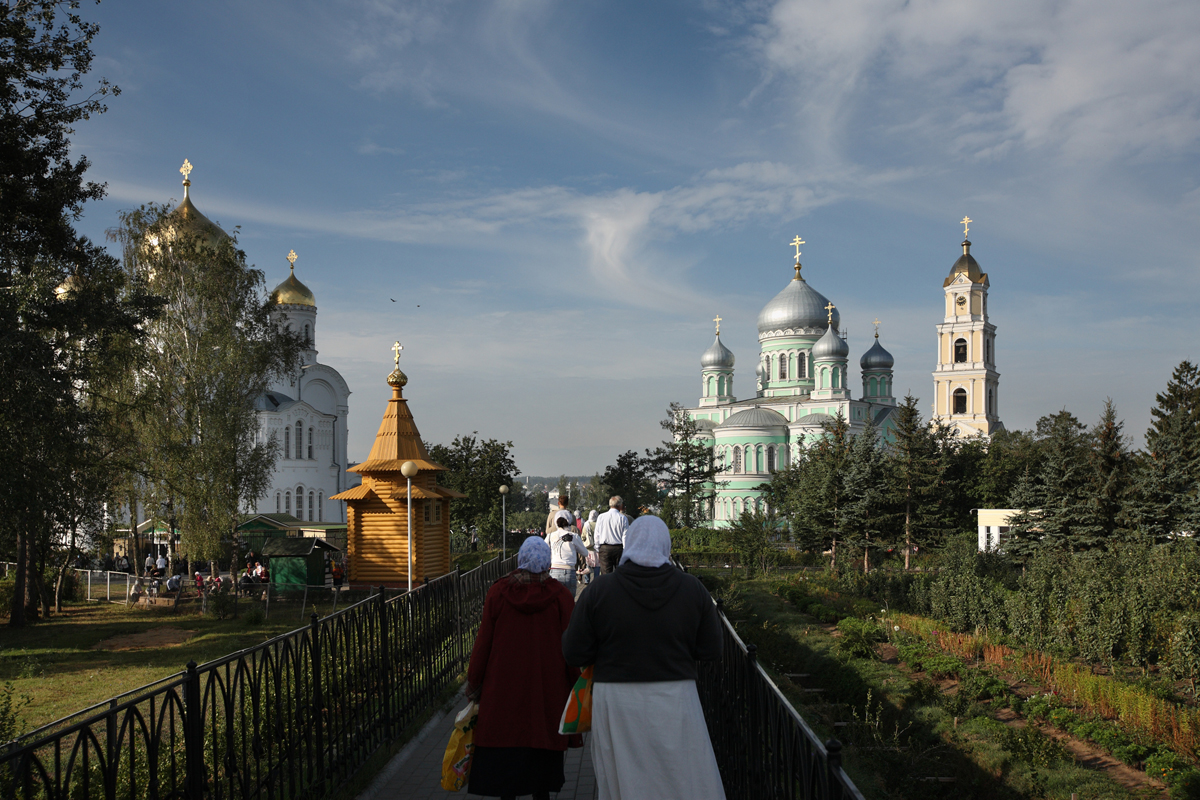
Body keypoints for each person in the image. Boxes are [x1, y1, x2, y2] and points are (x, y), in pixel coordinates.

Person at [562, 515, 725, 799]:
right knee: (680, 775)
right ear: (666, 545)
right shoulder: (691, 589)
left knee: (624, 778)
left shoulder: (600, 590)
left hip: (616, 699)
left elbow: (574, 651)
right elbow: (711, 649)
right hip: (676, 694)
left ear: (629, 544)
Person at [465, 537, 579, 800]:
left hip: (503, 689)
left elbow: (483, 643)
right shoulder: (560, 596)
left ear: (521, 560)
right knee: (542, 749)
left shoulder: (498, 592)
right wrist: (575, 684)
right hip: (547, 690)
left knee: (508, 759)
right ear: (547, 563)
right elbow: (571, 647)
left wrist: (474, 683)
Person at [548, 516, 588, 597]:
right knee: (569, 602)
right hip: (569, 571)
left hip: (554, 570)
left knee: (555, 601)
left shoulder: (550, 536)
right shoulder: (574, 536)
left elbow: (543, 549)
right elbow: (585, 553)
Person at [592, 496, 630, 574]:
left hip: (604, 548)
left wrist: (597, 547)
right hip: (619, 549)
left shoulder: (601, 517)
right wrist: (625, 549)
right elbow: (625, 536)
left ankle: (607, 586)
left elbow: (597, 534)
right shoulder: (623, 518)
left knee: (605, 575)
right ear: (619, 505)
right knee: (620, 573)